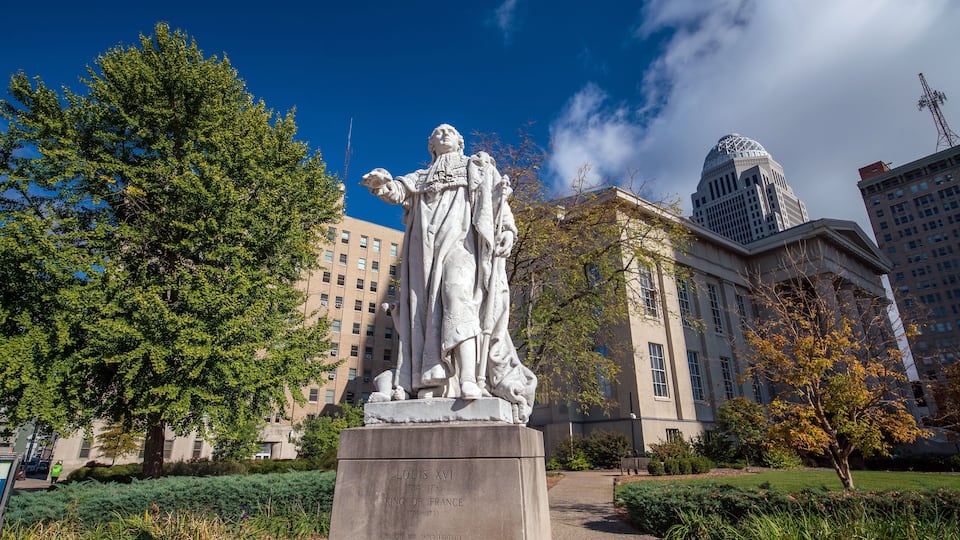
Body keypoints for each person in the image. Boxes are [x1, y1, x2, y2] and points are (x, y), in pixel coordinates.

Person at [362, 124, 536, 422]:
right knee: (427, 313)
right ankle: (436, 379)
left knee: (458, 297)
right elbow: (395, 191)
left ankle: (469, 377)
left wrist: (507, 229)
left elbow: (496, 201)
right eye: (437, 131)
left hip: (462, 246)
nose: (443, 132)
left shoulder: (475, 166)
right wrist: (380, 185)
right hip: (424, 252)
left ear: (459, 141)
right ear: (431, 145)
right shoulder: (420, 177)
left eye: (449, 130)